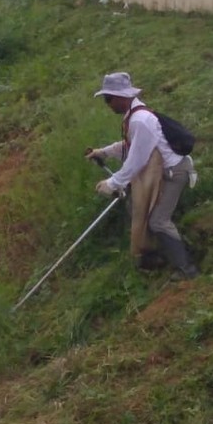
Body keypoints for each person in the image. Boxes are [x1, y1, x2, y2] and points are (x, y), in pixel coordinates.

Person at [85, 72, 199, 280]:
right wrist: (104, 152)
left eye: (108, 99)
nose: (107, 104)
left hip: (174, 174)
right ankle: (154, 257)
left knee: (157, 221)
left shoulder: (140, 120)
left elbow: (137, 158)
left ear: (121, 97)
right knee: (136, 209)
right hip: (160, 172)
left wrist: (113, 182)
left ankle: (186, 268)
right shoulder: (133, 116)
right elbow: (132, 146)